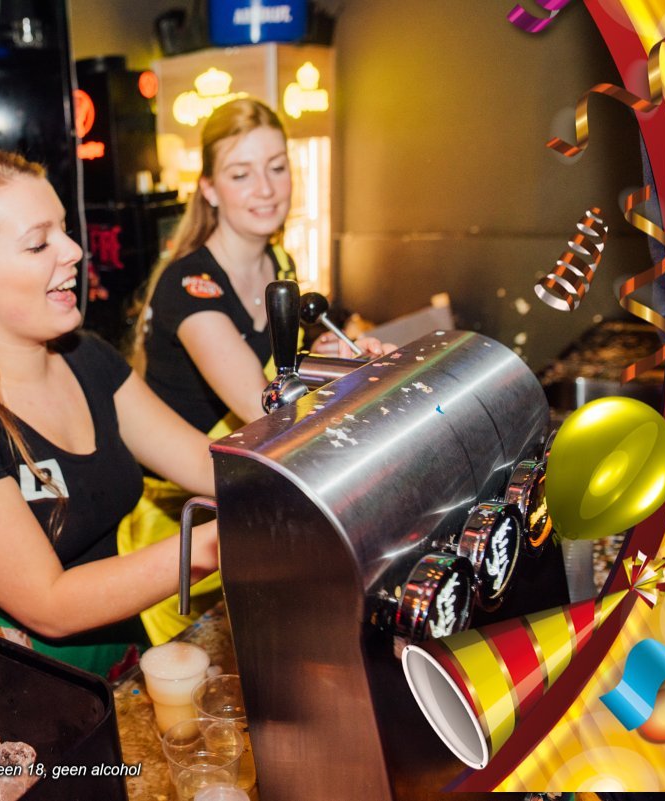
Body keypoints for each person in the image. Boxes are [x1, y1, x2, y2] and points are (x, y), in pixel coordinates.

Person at [0, 147, 219, 678]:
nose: (74, 250)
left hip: (118, 650)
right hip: (20, 679)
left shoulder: (87, 357)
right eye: (39, 243)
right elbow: (50, 605)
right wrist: (211, 544)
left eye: (64, 230)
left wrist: (304, 463)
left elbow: (204, 464)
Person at [124, 98, 387, 644]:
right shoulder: (190, 285)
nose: (266, 189)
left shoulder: (279, 263)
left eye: (277, 167)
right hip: (188, 524)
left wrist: (338, 357)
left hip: (255, 499)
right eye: (241, 174)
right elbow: (264, 406)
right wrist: (357, 383)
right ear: (209, 189)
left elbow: (287, 369)